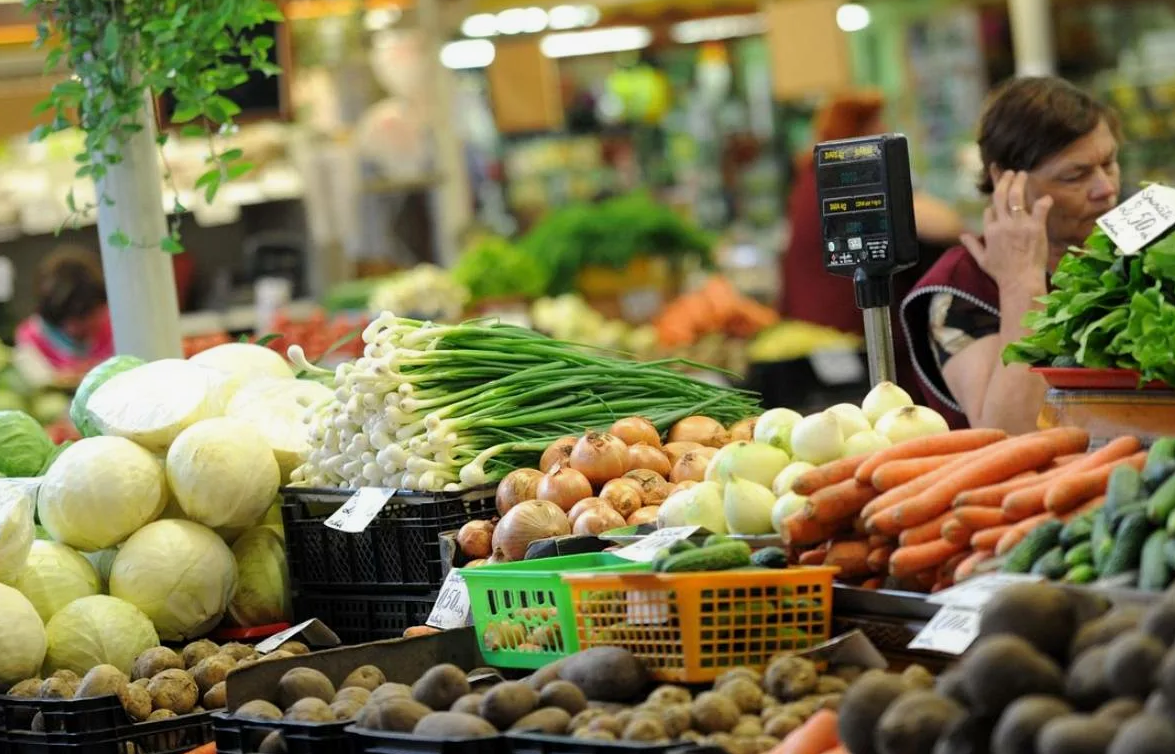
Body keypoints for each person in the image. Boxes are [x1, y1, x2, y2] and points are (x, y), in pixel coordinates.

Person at [901, 77, 1121, 433]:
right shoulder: (963, 287)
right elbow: (1010, 431)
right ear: (1006, 180)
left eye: (1109, 163)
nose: (1106, 188)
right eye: (1074, 176)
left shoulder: (1132, 252)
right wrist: (1022, 284)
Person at [780, 91, 964, 395]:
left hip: (816, 325)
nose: (884, 129)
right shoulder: (853, 180)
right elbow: (946, 224)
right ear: (859, 131)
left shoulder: (809, 178)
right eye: (878, 124)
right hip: (850, 330)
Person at [15, 246, 114, 386]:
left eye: (85, 316)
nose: (73, 328)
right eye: (62, 320)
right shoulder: (32, 340)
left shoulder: (115, 325)